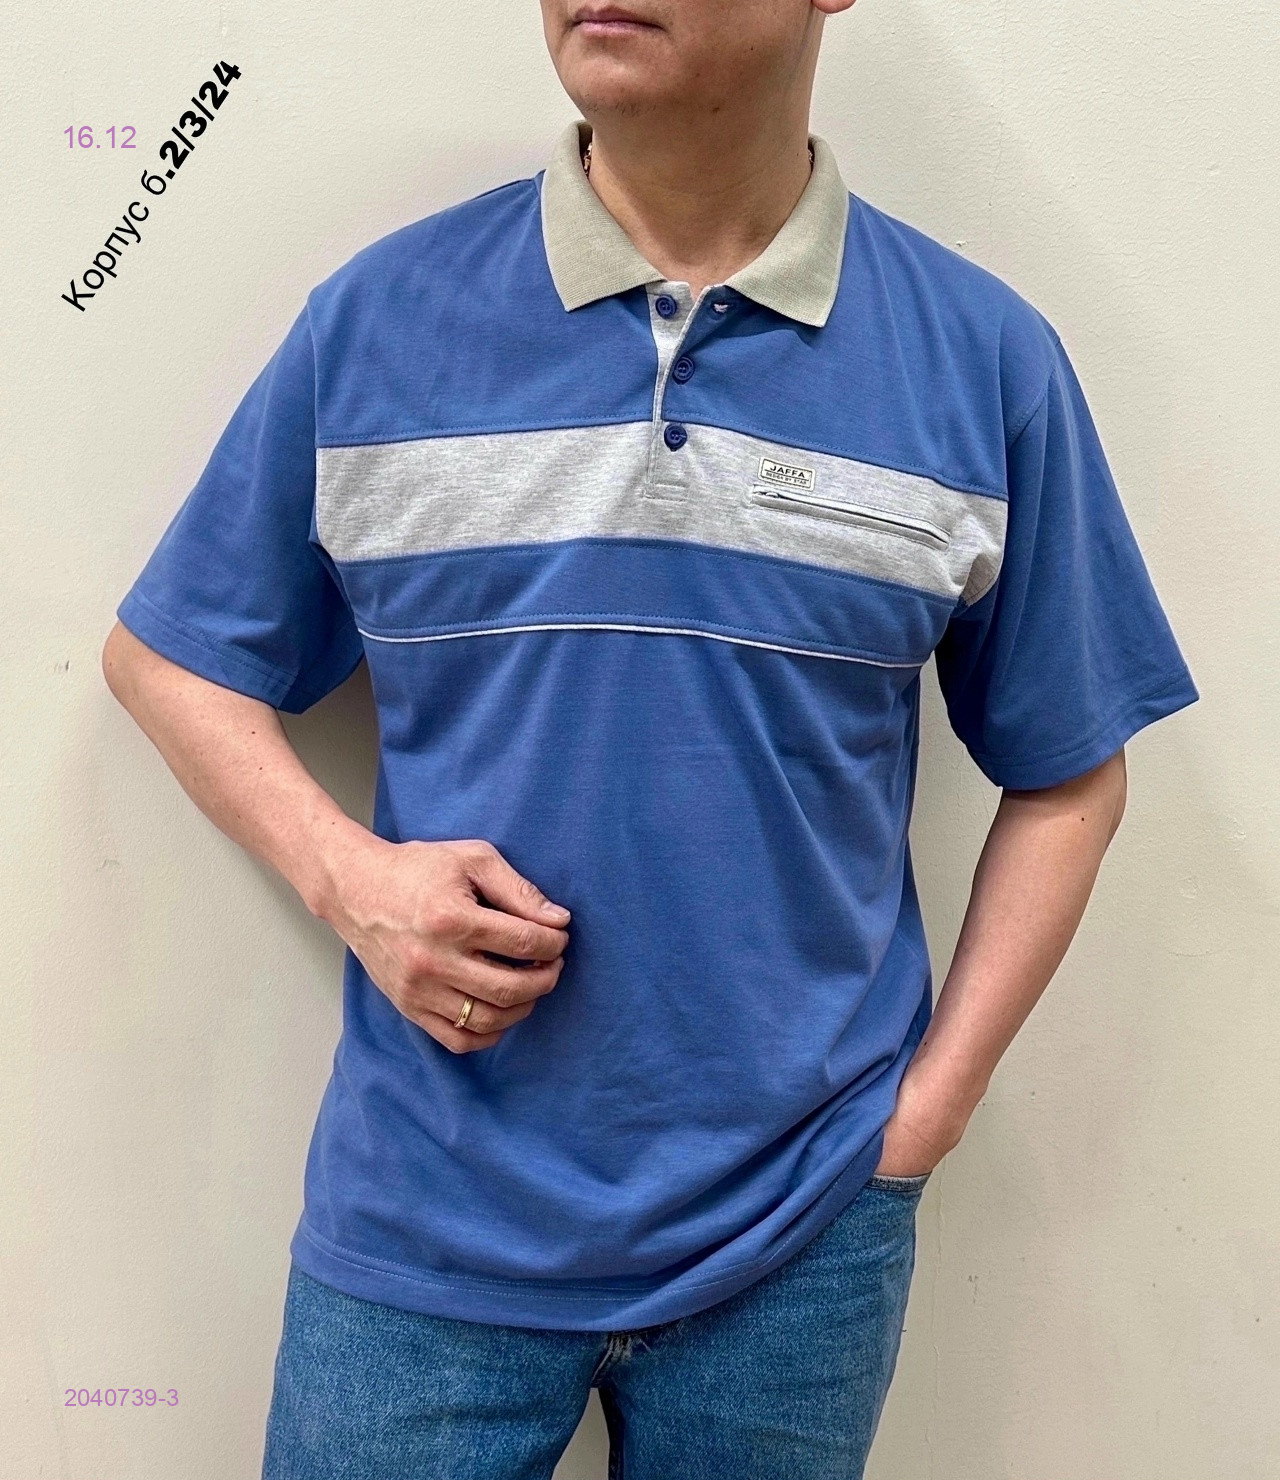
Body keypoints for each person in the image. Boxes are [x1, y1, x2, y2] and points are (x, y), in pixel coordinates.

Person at [101, 1, 1200, 1475]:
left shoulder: (981, 359)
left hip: (803, 1238)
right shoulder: (379, 321)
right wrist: (349, 878)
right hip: (425, 1225)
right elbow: (168, 655)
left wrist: (921, 1123)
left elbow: (1070, 773)